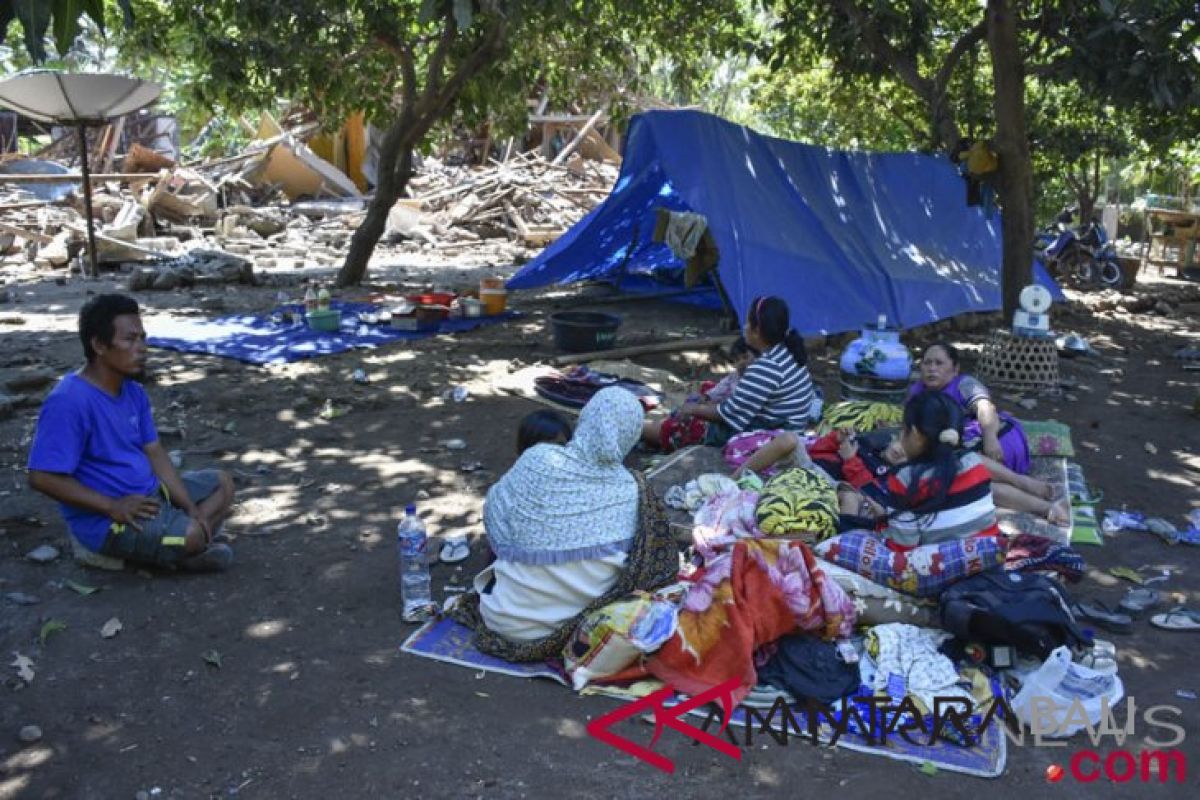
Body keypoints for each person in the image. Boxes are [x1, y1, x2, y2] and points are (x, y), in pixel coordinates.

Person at [452, 387, 679, 661]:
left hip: (500, 618)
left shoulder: (536, 459)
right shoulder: (635, 489)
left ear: (584, 419)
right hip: (573, 633)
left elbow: (495, 518)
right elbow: (655, 568)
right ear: (630, 435)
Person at [27, 294, 236, 572]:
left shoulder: (133, 391)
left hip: (151, 496)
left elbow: (155, 452)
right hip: (107, 520)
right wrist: (112, 505)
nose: (142, 348)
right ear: (99, 345)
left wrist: (189, 506)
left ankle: (188, 537)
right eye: (130, 340)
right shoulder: (69, 401)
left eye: (143, 338)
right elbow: (40, 477)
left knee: (224, 484)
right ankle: (182, 546)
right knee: (189, 535)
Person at [642, 296, 816, 450]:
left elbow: (728, 415)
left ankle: (639, 428)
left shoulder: (766, 368)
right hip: (785, 425)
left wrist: (693, 409)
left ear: (757, 331)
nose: (744, 327)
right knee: (709, 390)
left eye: (748, 323)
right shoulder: (787, 351)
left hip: (772, 437)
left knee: (686, 426)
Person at [872, 392, 1001, 549]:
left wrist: (882, 524)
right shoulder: (974, 462)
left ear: (915, 435)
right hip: (989, 555)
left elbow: (903, 547)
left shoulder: (904, 479)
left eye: (903, 429)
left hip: (939, 566)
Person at [909, 342, 1038, 482]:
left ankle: (1017, 482)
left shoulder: (964, 384)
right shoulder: (917, 391)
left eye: (939, 363)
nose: (932, 368)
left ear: (955, 368)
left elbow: (985, 408)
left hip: (997, 437)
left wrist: (990, 439)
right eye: (927, 363)